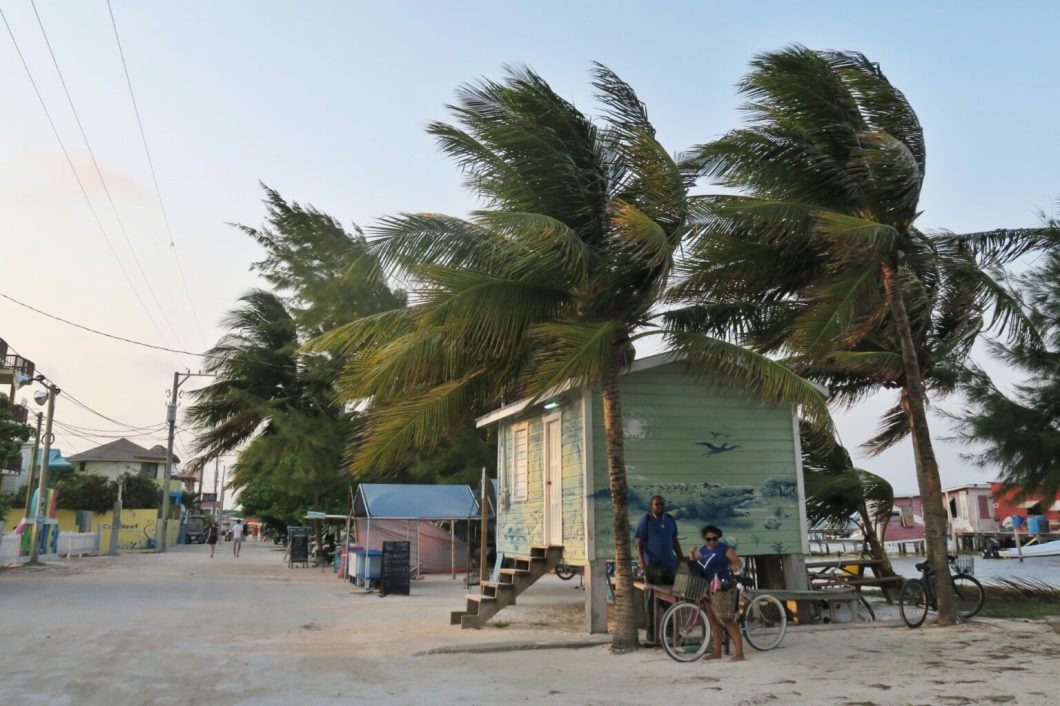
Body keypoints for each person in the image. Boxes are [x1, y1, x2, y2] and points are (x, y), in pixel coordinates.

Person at [690, 524, 744, 661]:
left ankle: (739, 653)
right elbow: (694, 563)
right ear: (705, 539)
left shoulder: (725, 549)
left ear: (718, 537)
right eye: (709, 539)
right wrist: (692, 553)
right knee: (713, 620)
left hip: (722, 586)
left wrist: (733, 566)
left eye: (714, 538)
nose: (712, 542)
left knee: (727, 619)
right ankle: (717, 652)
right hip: (708, 586)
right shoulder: (702, 550)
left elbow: (738, 562)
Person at [635, 495, 682, 645]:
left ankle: (670, 630)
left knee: (671, 597)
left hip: (669, 565)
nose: (659, 507)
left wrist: (681, 557)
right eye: (656, 505)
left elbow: (674, 540)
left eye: (662, 504)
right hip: (652, 566)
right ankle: (651, 631)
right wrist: (642, 562)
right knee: (651, 598)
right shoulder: (646, 520)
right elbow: (640, 543)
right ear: (651, 506)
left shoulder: (670, 520)